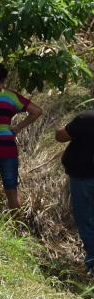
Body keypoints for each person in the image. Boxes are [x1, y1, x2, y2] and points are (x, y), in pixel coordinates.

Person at [0, 61, 42, 211]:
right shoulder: (11, 97)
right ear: (3, 79)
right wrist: (18, 127)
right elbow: (36, 111)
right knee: (11, 189)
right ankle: (17, 227)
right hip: (6, 147)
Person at [56, 109, 94, 273]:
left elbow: (61, 136)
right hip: (83, 176)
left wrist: (62, 126)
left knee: (85, 218)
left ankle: (92, 261)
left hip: (83, 177)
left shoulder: (86, 118)